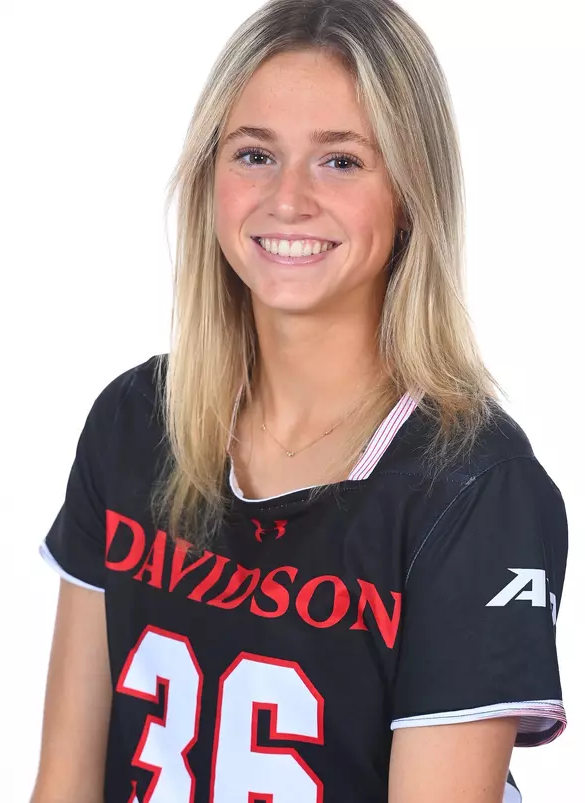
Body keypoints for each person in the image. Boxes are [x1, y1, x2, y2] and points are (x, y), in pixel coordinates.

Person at [30, 1, 568, 802]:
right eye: (253, 154)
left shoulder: (475, 488)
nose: (286, 200)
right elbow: (64, 781)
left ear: (411, 192)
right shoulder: (134, 421)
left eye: (340, 161)